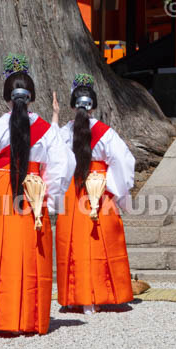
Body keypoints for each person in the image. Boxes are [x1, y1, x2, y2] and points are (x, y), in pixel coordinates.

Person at [0, 55, 72, 335]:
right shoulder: (48, 131)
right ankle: (29, 317)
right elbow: (63, 165)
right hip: (33, 190)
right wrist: (48, 195)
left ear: (6, 98)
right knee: (29, 252)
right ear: (32, 96)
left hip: (0, 185)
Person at [54, 74, 136, 313]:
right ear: (94, 105)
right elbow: (122, 161)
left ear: (72, 105)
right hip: (100, 190)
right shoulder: (105, 133)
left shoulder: (64, 133)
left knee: (75, 243)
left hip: (73, 191)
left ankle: (78, 295)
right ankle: (101, 295)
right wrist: (116, 189)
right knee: (100, 242)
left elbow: (54, 160)